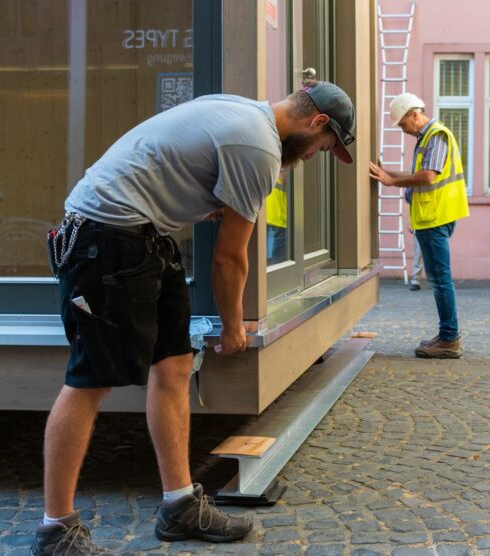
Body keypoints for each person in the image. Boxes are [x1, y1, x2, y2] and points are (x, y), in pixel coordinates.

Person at [33, 81, 356, 554]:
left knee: (175, 364)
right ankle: (55, 529)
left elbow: (175, 167)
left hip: (144, 236)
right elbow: (229, 259)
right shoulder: (258, 147)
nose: (316, 157)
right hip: (105, 238)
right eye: (325, 148)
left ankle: (179, 505)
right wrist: (232, 327)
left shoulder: (242, 111)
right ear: (318, 123)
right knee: (89, 380)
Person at [369, 92, 469, 359]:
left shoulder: (435, 135)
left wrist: (391, 181)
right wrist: (388, 174)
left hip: (434, 218)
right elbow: (417, 175)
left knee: (441, 280)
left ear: (414, 114)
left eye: (403, 124)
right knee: (439, 279)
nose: (403, 130)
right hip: (433, 217)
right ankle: (447, 334)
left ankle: (449, 338)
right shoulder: (428, 137)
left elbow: (427, 176)